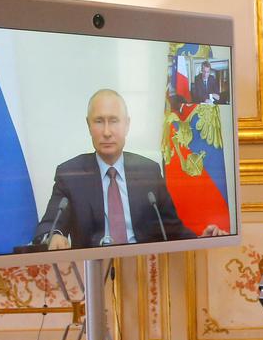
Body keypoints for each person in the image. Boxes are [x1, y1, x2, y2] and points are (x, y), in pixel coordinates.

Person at [34, 89, 225, 249]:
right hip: (93, 270)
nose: (107, 132)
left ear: (127, 125)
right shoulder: (71, 175)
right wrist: (54, 235)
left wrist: (201, 240)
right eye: (99, 121)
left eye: (114, 121)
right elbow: (49, 225)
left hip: (144, 268)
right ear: (88, 125)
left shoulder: (148, 171)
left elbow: (171, 229)